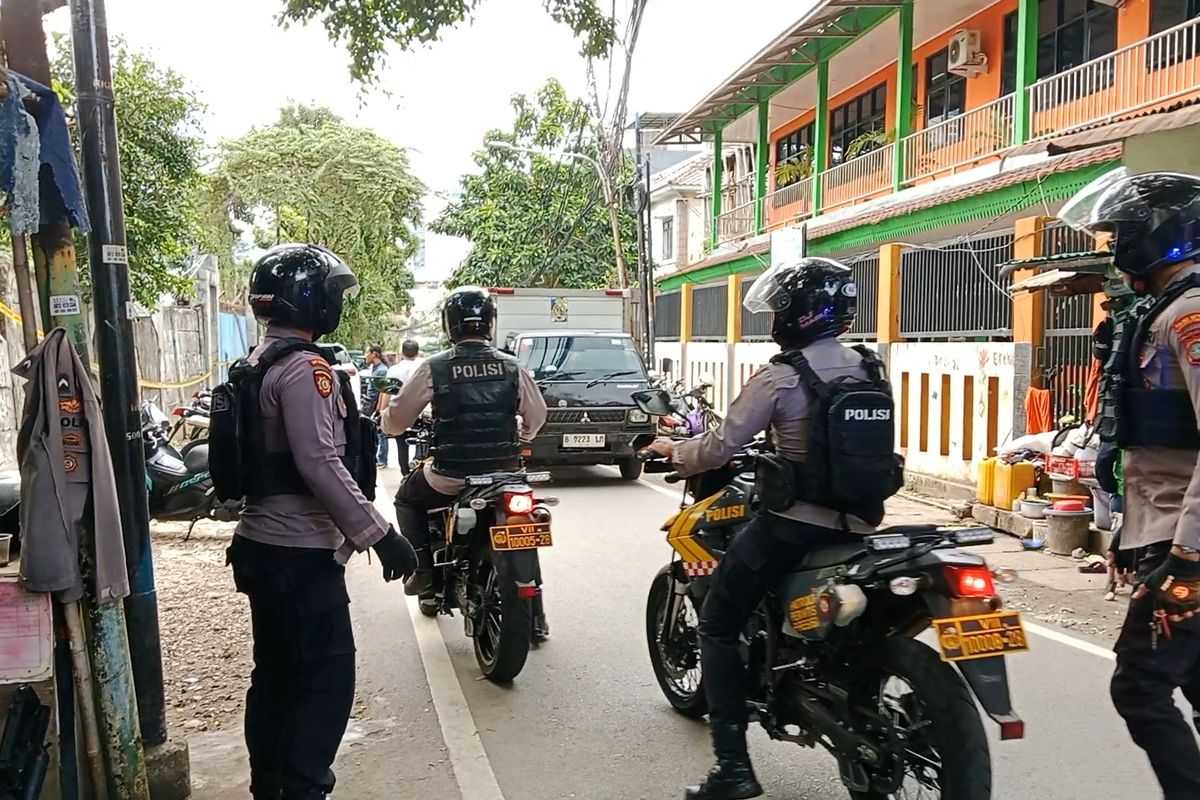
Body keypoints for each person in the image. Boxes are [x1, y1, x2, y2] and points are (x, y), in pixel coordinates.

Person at [645, 257, 902, 800]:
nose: (772, 320)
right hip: (860, 525)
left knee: (717, 622)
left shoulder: (780, 377)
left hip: (792, 526)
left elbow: (720, 446)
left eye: (778, 308)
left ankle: (733, 769)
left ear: (797, 314)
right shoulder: (870, 369)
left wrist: (673, 449)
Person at [227, 244, 418, 800]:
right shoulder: (305, 370)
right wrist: (381, 536)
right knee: (327, 680)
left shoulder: (253, 365)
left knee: (277, 676)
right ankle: (304, 790)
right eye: (333, 294)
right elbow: (319, 461)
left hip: (260, 547)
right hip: (299, 554)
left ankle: (271, 786)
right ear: (313, 302)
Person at [1062, 169, 1200, 800]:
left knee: (1139, 684)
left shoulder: (1191, 316)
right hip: (1163, 534)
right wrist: (1126, 535)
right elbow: (1149, 455)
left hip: (1188, 545)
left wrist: (1187, 558)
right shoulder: (1162, 310)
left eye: (1122, 231)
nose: (1115, 245)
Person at [380, 287, 548, 630]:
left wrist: (386, 423)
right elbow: (538, 415)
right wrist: (524, 436)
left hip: (450, 476)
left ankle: (423, 573)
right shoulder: (512, 366)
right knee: (523, 527)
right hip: (506, 474)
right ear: (490, 322)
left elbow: (397, 421)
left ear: (449, 325)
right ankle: (538, 618)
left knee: (405, 500)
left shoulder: (436, 368)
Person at [386, 339, 424, 475]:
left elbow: (387, 392)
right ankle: (418, 462)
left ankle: (405, 473)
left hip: (399, 411)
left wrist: (382, 411)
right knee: (423, 438)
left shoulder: (393, 369)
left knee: (401, 444)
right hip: (420, 411)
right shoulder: (423, 368)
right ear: (417, 353)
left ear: (401, 353)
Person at [362, 344, 389, 467]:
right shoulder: (375, 368)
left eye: (367, 352)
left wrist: (379, 408)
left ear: (374, 354)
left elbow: (383, 391)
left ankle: (382, 458)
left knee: (380, 431)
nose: (365, 356)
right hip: (369, 403)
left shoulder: (382, 370)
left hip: (375, 404)